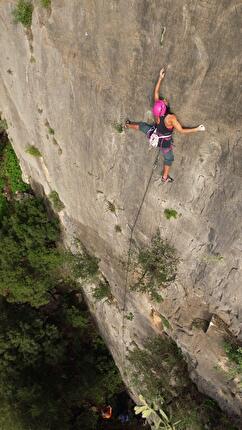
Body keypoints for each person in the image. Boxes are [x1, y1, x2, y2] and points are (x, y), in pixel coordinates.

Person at [125, 67, 205, 182]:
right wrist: (197, 129)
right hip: (164, 142)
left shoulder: (158, 112)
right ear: (164, 107)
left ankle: (127, 125)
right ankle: (164, 177)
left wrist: (160, 78)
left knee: (142, 126)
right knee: (169, 159)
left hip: (154, 133)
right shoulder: (170, 118)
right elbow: (181, 130)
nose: (164, 100)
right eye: (164, 102)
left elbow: (156, 93)